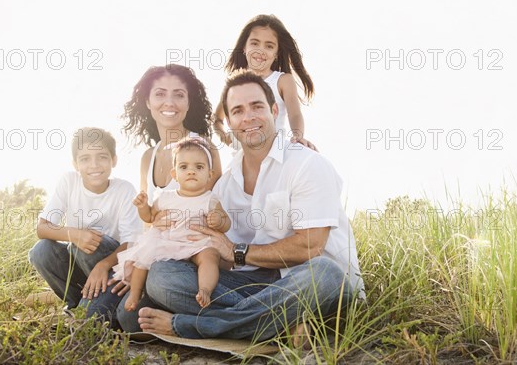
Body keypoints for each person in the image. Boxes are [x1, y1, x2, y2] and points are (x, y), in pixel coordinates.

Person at [117, 70, 364, 342]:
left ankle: (192, 326)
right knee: (157, 283)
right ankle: (280, 324)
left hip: (310, 282)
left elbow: (310, 246)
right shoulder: (225, 185)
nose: (248, 117)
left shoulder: (307, 164)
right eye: (237, 111)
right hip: (255, 286)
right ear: (230, 122)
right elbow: (218, 255)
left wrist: (236, 252)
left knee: (325, 274)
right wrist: (169, 232)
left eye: (257, 106)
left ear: (273, 110)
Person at [28, 127, 143, 325]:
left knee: (91, 319)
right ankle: (77, 301)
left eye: (102, 157)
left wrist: (103, 264)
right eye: (85, 159)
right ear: (75, 164)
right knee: (42, 250)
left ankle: (96, 304)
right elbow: (42, 228)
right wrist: (75, 234)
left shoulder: (124, 189)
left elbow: (131, 243)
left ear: (114, 160)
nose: (94, 165)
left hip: (111, 267)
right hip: (80, 260)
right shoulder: (68, 181)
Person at [113, 138, 230, 310]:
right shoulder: (166, 197)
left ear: (209, 175)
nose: (191, 172)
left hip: (197, 243)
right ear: (174, 174)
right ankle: (135, 293)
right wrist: (143, 206)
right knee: (143, 258)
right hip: (168, 241)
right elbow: (150, 218)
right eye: (184, 167)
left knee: (210, 257)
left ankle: (205, 289)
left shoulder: (210, 200)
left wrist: (219, 221)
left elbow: (226, 223)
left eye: (199, 167)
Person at [213, 14, 317, 150]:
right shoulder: (234, 85)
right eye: (255, 43)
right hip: (244, 158)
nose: (260, 50)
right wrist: (230, 141)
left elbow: (295, 113)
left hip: (274, 153)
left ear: (276, 53)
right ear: (244, 47)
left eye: (269, 46)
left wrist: (298, 135)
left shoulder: (282, 80)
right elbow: (217, 119)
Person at [122, 64, 222, 206]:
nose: (169, 102)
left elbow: (208, 208)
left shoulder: (203, 147)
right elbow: (146, 221)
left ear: (188, 104)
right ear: (147, 102)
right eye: (160, 94)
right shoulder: (148, 158)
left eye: (179, 95)